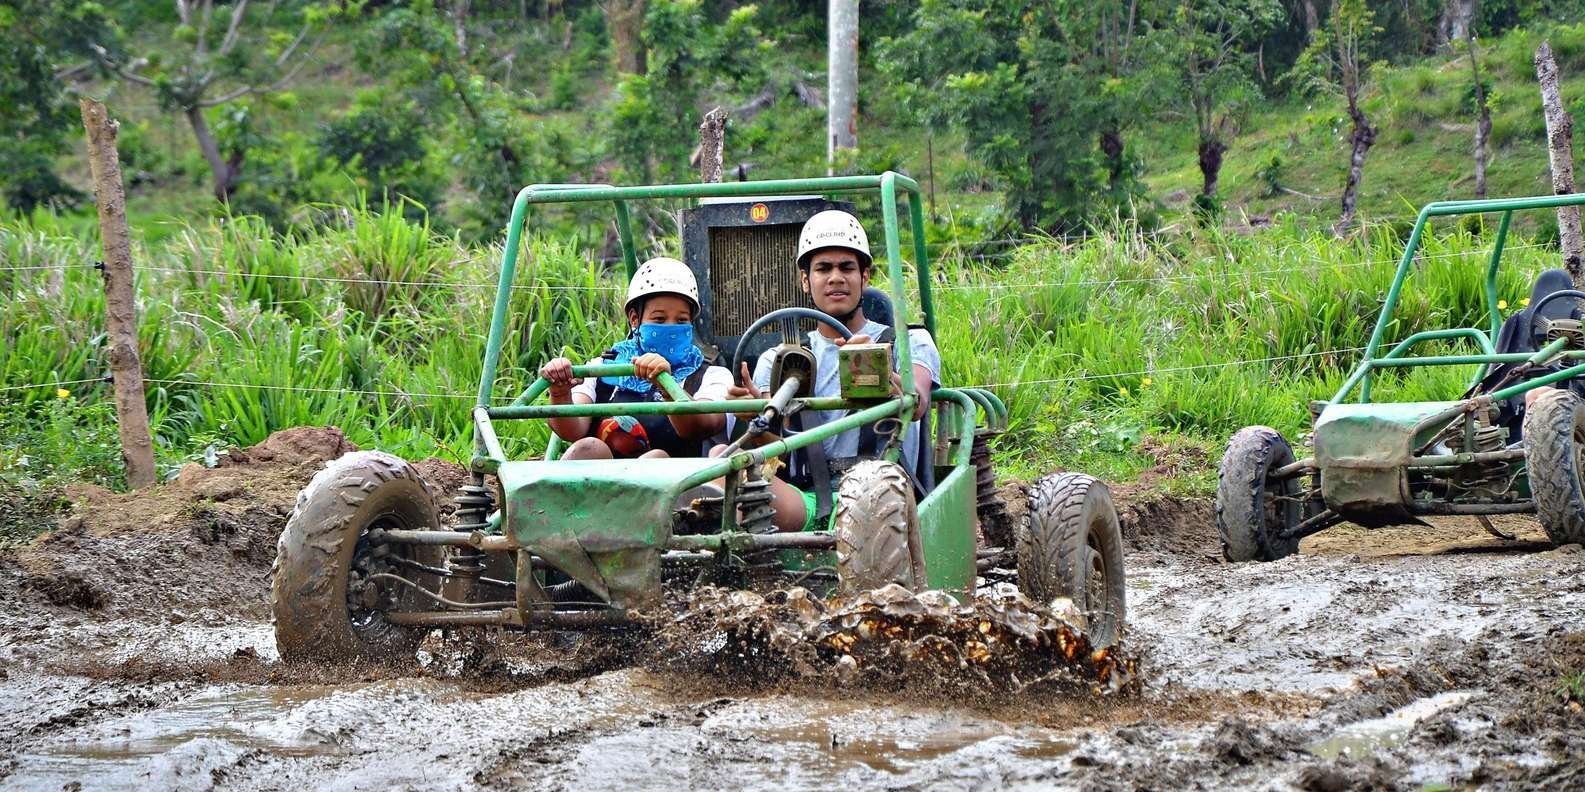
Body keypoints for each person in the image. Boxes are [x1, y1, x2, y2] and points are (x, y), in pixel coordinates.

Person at [722, 209, 942, 531]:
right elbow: (775, 448)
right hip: (808, 499)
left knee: (873, 493)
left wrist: (874, 368)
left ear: (865, 277)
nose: (835, 277)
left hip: (883, 496)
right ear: (805, 280)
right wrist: (752, 417)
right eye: (823, 268)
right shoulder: (780, 358)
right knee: (722, 463)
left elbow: (917, 403)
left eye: (847, 268)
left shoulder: (908, 342)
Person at [539, 257, 733, 459]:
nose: (670, 327)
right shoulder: (602, 369)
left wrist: (668, 388)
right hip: (604, 482)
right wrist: (560, 393)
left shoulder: (711, 375)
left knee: (655, 459)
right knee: (588, 447)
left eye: (681, 320)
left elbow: (702, 426)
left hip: (676, 484)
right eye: (659, 319)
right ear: (634, 319)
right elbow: (572, 431)